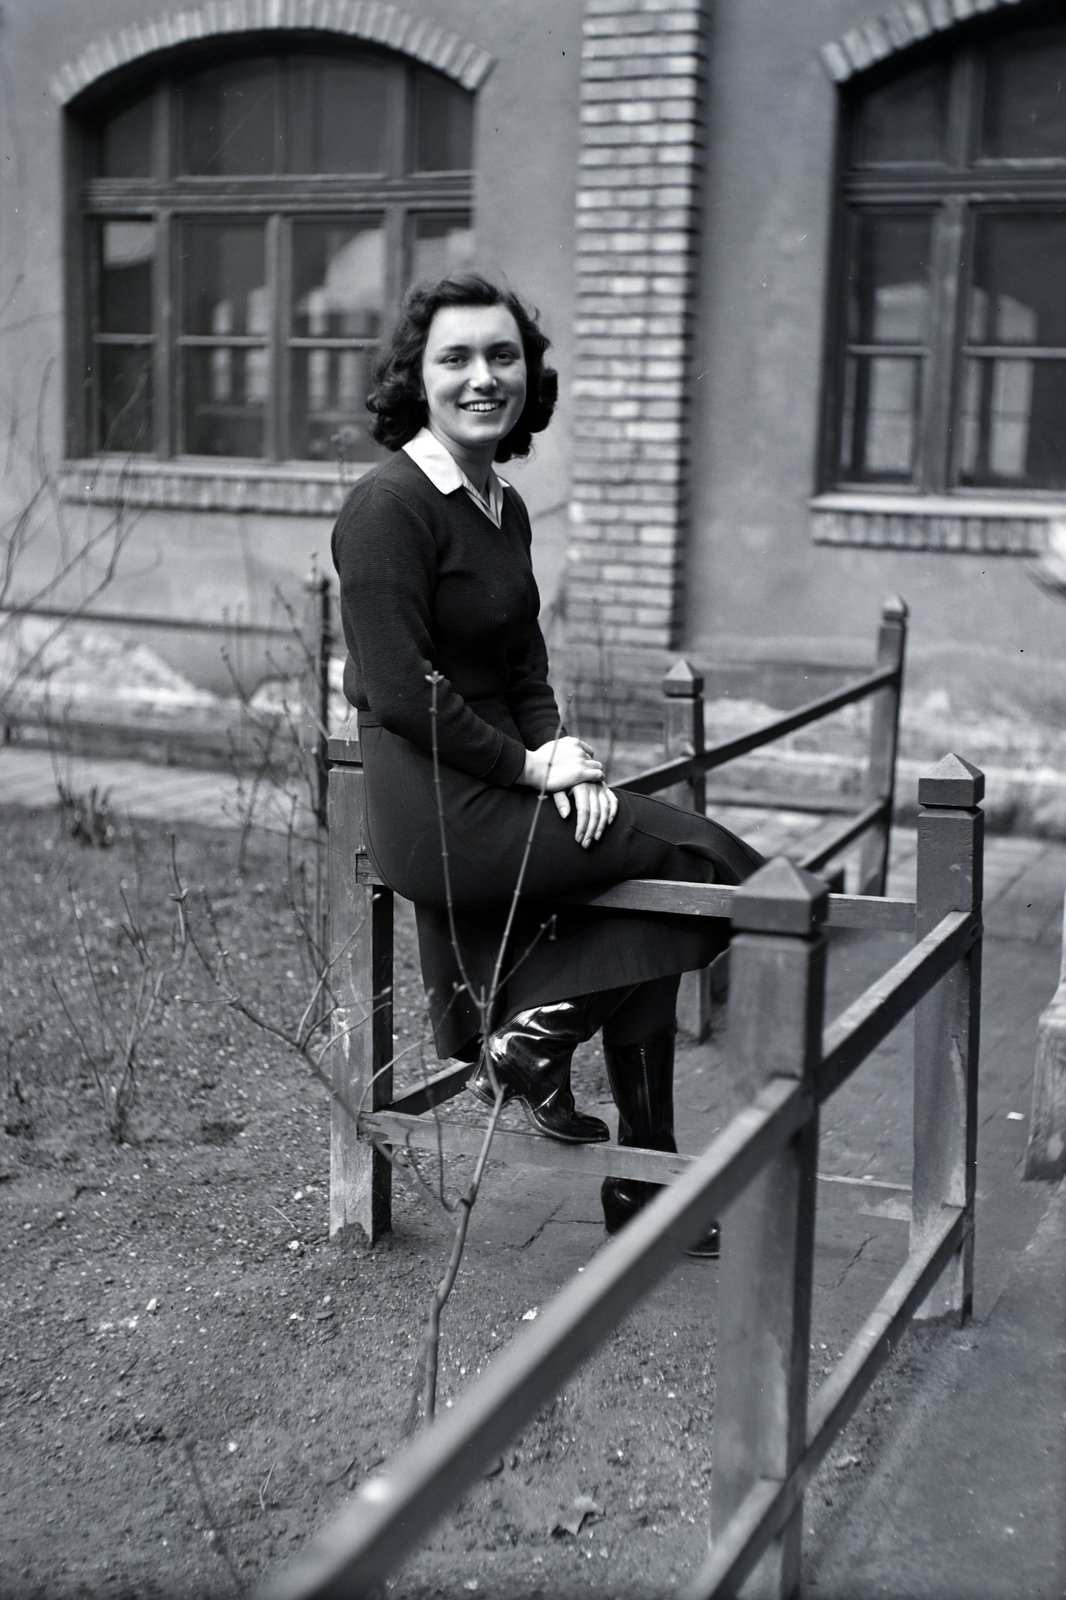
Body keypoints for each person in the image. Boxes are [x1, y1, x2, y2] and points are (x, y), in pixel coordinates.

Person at [331, 273, 762, 1256]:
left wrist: (568, 765)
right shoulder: (388, 506)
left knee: (659, 890)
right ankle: (532, 1036)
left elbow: (524, 664)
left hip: (506, 782)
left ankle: (638, 1178)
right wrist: (534, 771)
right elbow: (403, 692)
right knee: (713, 864)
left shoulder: (501, 505)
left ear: (526, 372)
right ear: (416, 376)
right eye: (457, 358)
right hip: (439, 805)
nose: (485, 377)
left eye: (503, 356)